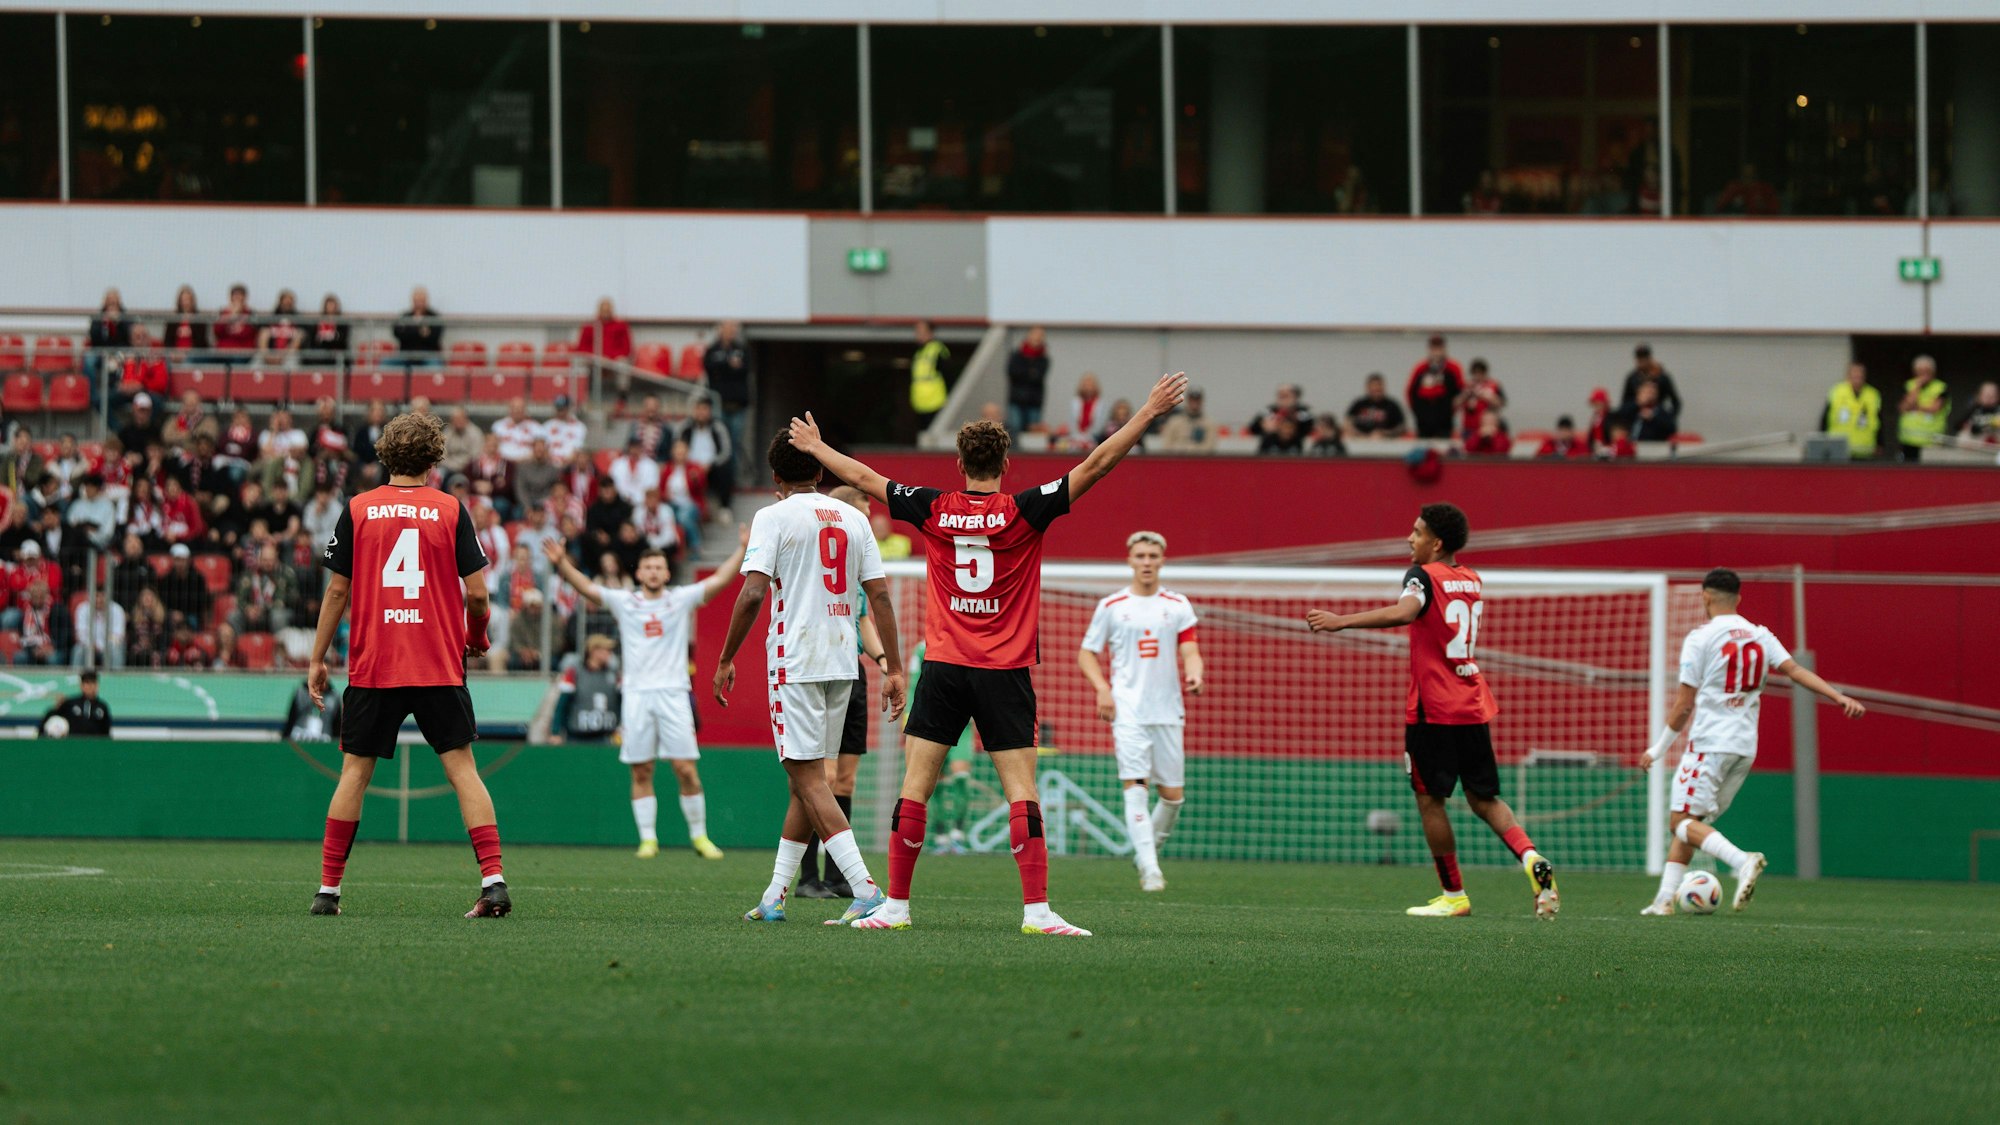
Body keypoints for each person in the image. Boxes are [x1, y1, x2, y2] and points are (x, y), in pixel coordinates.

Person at [789, 369, 1189, 936]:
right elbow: (1096, 464)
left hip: (945, 667)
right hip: (1005, 670)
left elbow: (863, 477)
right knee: (1021, 792)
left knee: (914, 787)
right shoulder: (1026, 509)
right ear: (1005, 466)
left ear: (959, 465)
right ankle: (1037, 912)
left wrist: (816, 447)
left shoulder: (931, 508)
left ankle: (897, 907)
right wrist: (1147, 412)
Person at [1305, 503, 1560, 920]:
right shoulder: (1472, 580)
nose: (1410, 538)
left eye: (1417, 531)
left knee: (1430, 800)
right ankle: (1530, 855)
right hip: (1473, 705)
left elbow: (1407, 612)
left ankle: (1454, 894)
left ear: (1436, 543)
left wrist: (1341, 621)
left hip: (1433, 710)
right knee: (1484, 798)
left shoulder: (1421, 575)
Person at [307, 410, 508, 919]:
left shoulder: (357, 508)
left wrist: (316, 657)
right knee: (463, 770)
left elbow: (337, 590)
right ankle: (494, 882)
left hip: (376, 664)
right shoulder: (450, 508)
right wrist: (476, 637)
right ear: (435, 457)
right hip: (438, 662)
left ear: (384, 455)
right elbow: (479, 595)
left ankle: (328, 892)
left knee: (354, 773)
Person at [713, 430, 906, 926]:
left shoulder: (771, 517)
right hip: (843, 659)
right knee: (812, 780)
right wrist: (896, 667)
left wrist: (725, 657)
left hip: (795, 659)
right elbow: (880, 598)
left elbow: (753, 593)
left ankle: (865, 890)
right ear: (819, 472)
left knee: (805, 778)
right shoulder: (854, 517)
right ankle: (775, 895)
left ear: (775, 478)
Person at [1638, 569, 1866, 915]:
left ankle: (1742, 861)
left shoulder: (1701, 638)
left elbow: (1684, 705)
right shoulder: (1760, 635)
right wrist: (1838, 696)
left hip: (1710, 742)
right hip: (1744, 748)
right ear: (1739, 599)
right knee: (1692, 821)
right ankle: (1663, 900)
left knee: (1679, 822)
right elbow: (1795, 671)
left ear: (1705, 596)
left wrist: (1657, 749)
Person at [544, 526, 748, 861]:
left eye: (658, 567)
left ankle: (699, 837)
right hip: (637, 695)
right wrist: (563, 564)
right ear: (638, 573)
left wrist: (741, 549)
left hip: (673, 693)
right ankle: (648, 840)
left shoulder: (679, 599)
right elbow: (589, 589)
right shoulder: (626, 602)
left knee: (685, 768)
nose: (653, 572)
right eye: (648, 567)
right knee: (641, 769)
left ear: (666, 573)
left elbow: (719, 581)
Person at [1078, 531, 1204, 893]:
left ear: (1162, 560)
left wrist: (1195, 673)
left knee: (1173, 797)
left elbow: (1190, 648)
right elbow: (1087, 653)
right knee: (1135, 786)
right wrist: (1103, 689)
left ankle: (1145, 851)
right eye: (1140, 556)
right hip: (1128, 710)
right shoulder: (1113, 605)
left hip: (1167, 711)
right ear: (1129, 560)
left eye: (1153, 556)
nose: (1146, 562)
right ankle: (1151, 869)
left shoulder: (1177, 604)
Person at [796, 485, 898, 898]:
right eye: (862, 513)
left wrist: (884, 661)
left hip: (852, 672)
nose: (867, 523)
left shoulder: (854, 569)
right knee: (823, 776)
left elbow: (862, 619)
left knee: (847, 780)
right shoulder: (818, 566)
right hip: (821, 670)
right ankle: (806, 876)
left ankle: (837, 875)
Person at [551, 634, 622, 743]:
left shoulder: (614, 675)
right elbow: (562, 703)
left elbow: (622, 702)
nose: (609, 654)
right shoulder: (574, 673)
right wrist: (555, 732)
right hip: (577, 736)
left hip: (606, 736)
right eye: (606, 650)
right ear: (593, 651)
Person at [702, 321, 753, 458]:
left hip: (738, 405)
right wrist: (728, 364)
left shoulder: (741, 349)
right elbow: (709, 367)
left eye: (733, 330)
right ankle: (721, 475)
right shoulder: (712, 349)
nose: (730, 333)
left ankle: (733, 477)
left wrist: (724, 368)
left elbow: (746, 369)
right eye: (727, 329)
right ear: (720, 331)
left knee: (735, 442)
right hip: (719, 404)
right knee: (719, 441)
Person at [678, 399, 734, 517]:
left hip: (712, 467)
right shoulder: (686, 427)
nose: (701, 413)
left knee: (726, 470)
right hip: (690, 467)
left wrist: (711, 464)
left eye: (704, 409)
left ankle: (724, 508)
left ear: (710, 411)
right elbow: (678, 447)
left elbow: (726, 451)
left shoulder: (718, 427)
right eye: (698, 409)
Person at [1406, 335, 1464, 439]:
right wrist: (1418, 412)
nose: (1436, 351)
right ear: (1429, 349)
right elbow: (1410, 392)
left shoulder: (1453, 368)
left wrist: (1451, 410)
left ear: (1444, 349)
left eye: (1439, 348)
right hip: (1423, 422)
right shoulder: (1421, 368)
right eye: (1433, 348)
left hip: (1445, 422)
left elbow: (1461, 392)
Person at [1821, 363, 1883, 460]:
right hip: (1838, 449)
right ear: (1848, 376)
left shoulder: (1873, 394)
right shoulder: (1837, 391)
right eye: (1854, 376)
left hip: (1864, 450)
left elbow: (1879, 420)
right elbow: (1825, 418)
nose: (1857, 379)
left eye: (1860, 376)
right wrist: (1823, 442)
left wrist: (1880, 443)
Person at [1897, 355, 1950, 462]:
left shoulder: (1940, 387)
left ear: (1933, 372)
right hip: (1909, 439)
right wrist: (1917, 386)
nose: (1923, 374)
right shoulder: (1910, 385)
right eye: (1920, 371)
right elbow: (1904, 406)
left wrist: (1916, 407)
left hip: (1931, 440)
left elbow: (1935, 408)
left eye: (1927, 371)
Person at [1005, 326, 1051, 437]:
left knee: (1033, 432)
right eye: (1035, 335)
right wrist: (1029, 373)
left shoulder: (1044, 359)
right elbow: (1013, 373)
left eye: (1040, 336)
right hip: (1016, 400)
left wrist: (1025, 373)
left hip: (1034, 402)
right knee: (1014, 429)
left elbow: (1037, 376)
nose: (1037, 339)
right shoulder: (1016, 356)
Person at [1618, 343, 1682, 419]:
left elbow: (1676, 402)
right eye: (1639, 358)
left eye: (1644, 358)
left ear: (1649, 358)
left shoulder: (1662, 378)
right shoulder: (1632, 378)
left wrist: (1668, 417)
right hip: (1636, 418)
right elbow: (1624, 403)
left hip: (1657, 419)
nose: (1641, 361)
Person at [909, 319, 950, 435]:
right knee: (923, 434)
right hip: (920, 402)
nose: (918, 334)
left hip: (936, 401)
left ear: (930, 332)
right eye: (917, 331)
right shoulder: (919, 352)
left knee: (934, 435)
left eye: (921, 331)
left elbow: (948, 374)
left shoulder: (938, 349)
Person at [44, 669, 112, 737]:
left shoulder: (102, 707)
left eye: (93, 683)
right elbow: (52, 715)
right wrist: (57, 706)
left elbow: (106, 732)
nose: (90, 686)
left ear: (97, 685)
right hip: (73, 744)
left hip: (95, 745)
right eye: (87, 683)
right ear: (81, 685)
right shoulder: (71, 703)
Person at [72, 588, 127, 668]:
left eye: (102, 596)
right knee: (78, 650)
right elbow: (80, 634)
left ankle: (116, 679)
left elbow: (118, 636)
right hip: (89, 646)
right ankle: (76, 678)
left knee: (116, 651)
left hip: (109, 646)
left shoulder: (117, 610)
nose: (99, 600)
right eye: (96, 596)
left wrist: (102, 646)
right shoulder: (82, 609)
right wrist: (91, 644)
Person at [1250, 384, 1313, 453]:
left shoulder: (1303, 412)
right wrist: (1263, 425)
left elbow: (1309, 429)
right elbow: (1252, 428)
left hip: (1295, 449)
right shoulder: (1269, 411)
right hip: (1269, 449)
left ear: (1295, 397)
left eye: (1286, 396)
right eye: (1280, 396)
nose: (1283, 399)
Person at [1344, 373, 1408, 439]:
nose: (1376, 388)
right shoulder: (1359, 404)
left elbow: (1402, 427)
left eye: (1378, 386)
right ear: (1367, 387)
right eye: (1373, 386)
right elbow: (1347, 422)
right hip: (1361, 440)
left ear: (1383, 387)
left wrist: (1384, 434)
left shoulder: (1393, 405)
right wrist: (1363, 436)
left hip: (1387, 442)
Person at [392, 286, 444, 365]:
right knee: (386, 363)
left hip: (428, 355)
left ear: (426, 301)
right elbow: (397, 333)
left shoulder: (434, 317)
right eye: (417, 300)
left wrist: (409, 331)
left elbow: (434, 336)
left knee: (435, 365)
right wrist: (421, 331)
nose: (419, 303)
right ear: (412, 300)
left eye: (421, 300)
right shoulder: (405, 316)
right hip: (406, 355)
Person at [1455, 359, 1506, 439]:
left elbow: (1501, 403)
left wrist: (1486, 396)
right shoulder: (1466, 386)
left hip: (1487, 428)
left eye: (1481, 373)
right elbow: (1455, 403)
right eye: (1475, 373)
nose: (1478, 376)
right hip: (1468, 428)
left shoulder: (1493, 385)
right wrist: (1466, 395)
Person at [1158, 386, 1219, 453]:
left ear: (1202, 401)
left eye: (1197, 400)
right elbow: (1166, 445)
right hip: (1177, 460)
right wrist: (1182, 449)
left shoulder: (1209, 424)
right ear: (1187, 400)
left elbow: (1210, 447)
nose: (1194, 403)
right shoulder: (1174, 421)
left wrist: (1193, 450)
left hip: (1199, 460)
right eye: (1192, 399)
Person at [576, 297, 632, 366]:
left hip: (614, 361)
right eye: (603, 310)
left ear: (612, 310)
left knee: (622, 363)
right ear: (599, 310)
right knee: (579, 361)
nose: (605, 313)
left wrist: (610, 357)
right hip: (593, 360)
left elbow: (626, 349)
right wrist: (596, 356)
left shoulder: (621, 326)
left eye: (607, 310)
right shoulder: (589, 326)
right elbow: (581, 348)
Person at [490, 397, 544, 464]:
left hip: (527, 464)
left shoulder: (536, 428)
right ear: (509, 409)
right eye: (514, 408)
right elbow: (491, 447)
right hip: (502, 463)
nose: (517, 411)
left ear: (525, 410)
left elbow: (541, 451)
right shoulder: (498, 426)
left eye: (520, 408)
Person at [305, 294, 350, 368]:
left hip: (336, 349)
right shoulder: (318, 322)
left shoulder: (342, 322)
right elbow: (314, 339)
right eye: (329, 305)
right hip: (321, 349)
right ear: (325, 307)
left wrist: (327, 339)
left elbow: (342, 339)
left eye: (333, 305)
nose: (331, 308)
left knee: (340, 356)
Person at [1952, 380, 2000, 445]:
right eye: (1986, 395)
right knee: (1963, 435)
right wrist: (1967, 426)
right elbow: (1957, 425)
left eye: (1992, 395)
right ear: (1979, 396)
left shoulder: (1998, 410)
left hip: (1994, 446)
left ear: (1997, 396)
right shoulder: (1974, 410)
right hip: (1976, 443)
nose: (1989, 398)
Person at [543, 396, 588, 463]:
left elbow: (578, 450)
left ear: (568, 408)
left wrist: (565, 462)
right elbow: (543, 448)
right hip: (549, 464)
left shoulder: (579, 427)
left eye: (563, 408)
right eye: (558, 408)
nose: (560, 411)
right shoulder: (547, 425)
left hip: (570, 464)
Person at [442, 407, 483, 475]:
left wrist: (462, 465)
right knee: (439, 473)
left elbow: (475, 456)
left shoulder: (475, 433)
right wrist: (452, 466)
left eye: (460, 419)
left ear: (466, 419)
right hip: (448, 467)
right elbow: (442, 454)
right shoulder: (447, 432)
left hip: (468, 468)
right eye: (455, 419)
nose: (457, 422)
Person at [1069, 373, 1104, 448]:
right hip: (1076, 438)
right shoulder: (1075, 402)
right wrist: (1078, 437)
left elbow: (1099, 425)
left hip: (1094, 438)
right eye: (1085, 385)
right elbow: (1072, 423)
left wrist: (1087, 437)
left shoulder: (1100, 403)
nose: (1088, 388)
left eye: (1090, 385)